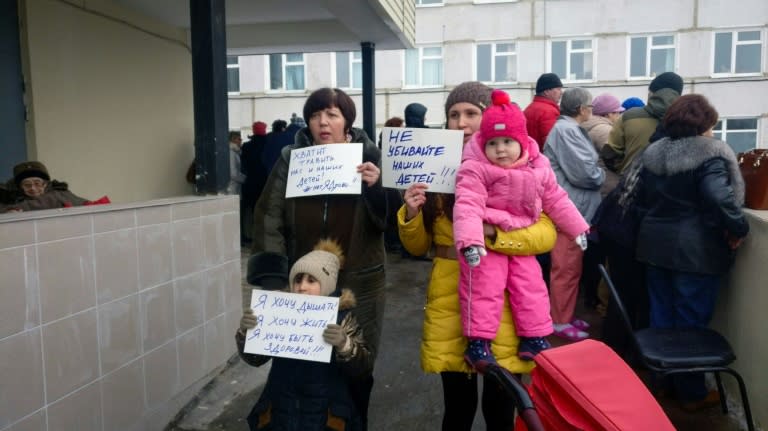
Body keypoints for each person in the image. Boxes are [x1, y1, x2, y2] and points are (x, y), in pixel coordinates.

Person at [399, 81, 557, 431]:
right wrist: (410, 214)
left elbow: (546, 233)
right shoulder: (432, 168)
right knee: (456, 410)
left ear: (490, 119)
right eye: (453, 115)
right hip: (450, 302)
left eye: (471, 113)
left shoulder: (519, 168)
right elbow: (416, 247)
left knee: (501, 409)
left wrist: (494, 235)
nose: (461, 122)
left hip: (504, 302)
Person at [250, 87, 386, 429]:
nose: (322, 122)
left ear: (347, 121)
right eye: (315, 115)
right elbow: (269, 215)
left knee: (356, 363)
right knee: (303, 367)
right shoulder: (291, 159)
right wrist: (273, 278)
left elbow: (391, 222)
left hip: (360, 281)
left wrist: (376, 187)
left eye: (332, 114)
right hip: (305, 280)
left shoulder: (369, 156)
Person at [627, 94, 749, 410]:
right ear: (706, 123)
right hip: (696, 250)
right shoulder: (710, 154)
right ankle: (692, 393)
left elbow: (640, 199)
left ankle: (664, 383)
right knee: (691, 322)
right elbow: (718, 196)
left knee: (661, 316)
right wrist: (739, 228)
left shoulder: (653, 154)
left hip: (654, 245)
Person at [453, 89, 589, 365]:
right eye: (493, 144)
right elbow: (467, 205)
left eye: (507, 142)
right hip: (487, 239)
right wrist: (470, 242)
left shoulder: (538, 167)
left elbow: (557, 199)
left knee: (531, 287)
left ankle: (535, 336)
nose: (500, 149)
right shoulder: (475, 168)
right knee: (482, 287)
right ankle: (478, 341)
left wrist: (577, 228)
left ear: (522, 141)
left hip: (522, 237)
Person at [236, 239, 373, 431]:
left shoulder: (343, 318)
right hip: (281, 412)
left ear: (327, 285)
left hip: (324, 417)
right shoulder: (279, 314)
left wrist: (345, 344)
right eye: (297, 280)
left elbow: (362, 369)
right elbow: (255, 358)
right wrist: (246, 334)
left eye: (311, 280)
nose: (302, 287)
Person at [543, 87, 605, 341]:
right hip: (569, 212)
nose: (592, 109)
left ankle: (564, 314)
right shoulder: (566, 130)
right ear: (581, 109)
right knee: (565, 268)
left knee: (571, 267)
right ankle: (558, 321)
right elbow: (586, 174)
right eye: (590, 105)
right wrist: (601, 175)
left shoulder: (567, 129)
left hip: (573, 210)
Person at [601, 71, 683, 174]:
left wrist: (625, 170)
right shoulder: (690, 120)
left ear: (651, 93)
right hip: (675, 186)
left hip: (633, 183)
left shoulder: (628, 117)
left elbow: (609, 153)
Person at [1, 161, 89, 213]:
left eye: (37, 183)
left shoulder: (59, 194)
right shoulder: (13, 197)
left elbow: (87, 205)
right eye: (27, 185)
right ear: (20, 187)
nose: (33, 188)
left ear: (45, 184)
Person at [241, 121, 269, 244]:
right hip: (265, 182)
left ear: (253, 130)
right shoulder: (268, 143)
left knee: (252, 211)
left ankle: (254, 238)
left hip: (250, 183)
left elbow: (243, 165)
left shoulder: (246, 146)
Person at [524, 72, 564, 150]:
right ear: (546, 91)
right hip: (544, 160)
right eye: (558, 89)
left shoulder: (528, 109)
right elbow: (552, 145)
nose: (561, 92)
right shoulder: (549, 112)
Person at [227, 131, 246, 195]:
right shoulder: (231, 153)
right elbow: (233, 173)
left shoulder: (235, 151)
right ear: (233, 139)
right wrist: (246, 179)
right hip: (232, 188)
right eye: (239, 139)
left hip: (234, 187)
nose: (241, 141)